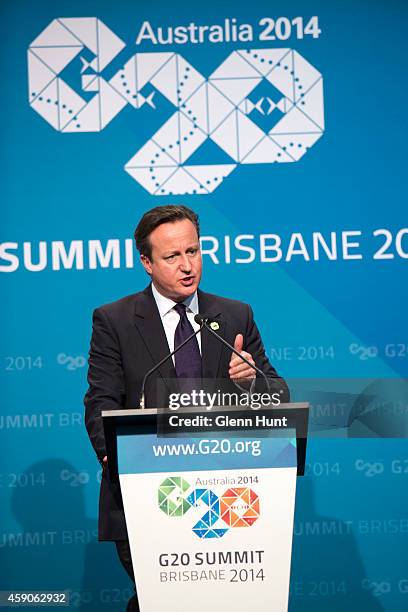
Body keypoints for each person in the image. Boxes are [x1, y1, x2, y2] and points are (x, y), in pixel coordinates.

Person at [84, 205, 288, 611]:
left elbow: (278, 396)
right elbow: (100, 401)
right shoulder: (115, 320)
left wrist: (253, 383)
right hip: (151, 496)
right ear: (146, 262)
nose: (187, 266)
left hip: (230, 496)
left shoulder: (233, 315)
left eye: (193, 251)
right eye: (172, 256)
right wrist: (115, 459)